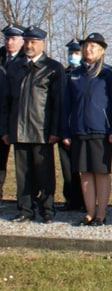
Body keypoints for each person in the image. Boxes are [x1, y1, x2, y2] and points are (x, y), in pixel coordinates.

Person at [0, 26, 65, 223]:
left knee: (44, 173)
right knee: (23, 174)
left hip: (41, 130)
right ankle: (25, 210)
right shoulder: (15, 68)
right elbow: (5, 102)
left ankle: (47, 209)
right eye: (27, 41)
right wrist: (4, 129)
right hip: (18, 129)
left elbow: (58, 103)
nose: (29, 45)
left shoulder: (53, 68)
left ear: (42, 44)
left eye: (33, 42)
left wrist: (55, 130)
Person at [62, 32, 112, 226]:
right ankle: (89, 212)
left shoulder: (109, 73)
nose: (88, 50)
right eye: (86, 46)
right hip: (79, 130)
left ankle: (101, 214)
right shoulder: (75, 74)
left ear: (102, 50)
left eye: (93, 47)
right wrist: (66, 131)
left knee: (100, 172)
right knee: (84, 172)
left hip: (101, 131)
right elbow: (66, 105)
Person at [56, 39, 84, 212]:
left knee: (82, 169)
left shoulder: (85, 74)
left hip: (81, 127)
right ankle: (71, 200)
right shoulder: (62, 74)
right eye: (71, 53)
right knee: (67, 169)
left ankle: (84, 201)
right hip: (64, 127)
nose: (73, 56)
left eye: (76, 53)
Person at [0, 24, 25, 203]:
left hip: (20, 116)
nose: (9, 42)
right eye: (7, 38)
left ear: (22, 41)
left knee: (24, 163)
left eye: (13, 38)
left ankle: (25, 200)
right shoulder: (1, 57)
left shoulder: (27, 59)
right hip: (1, 116)